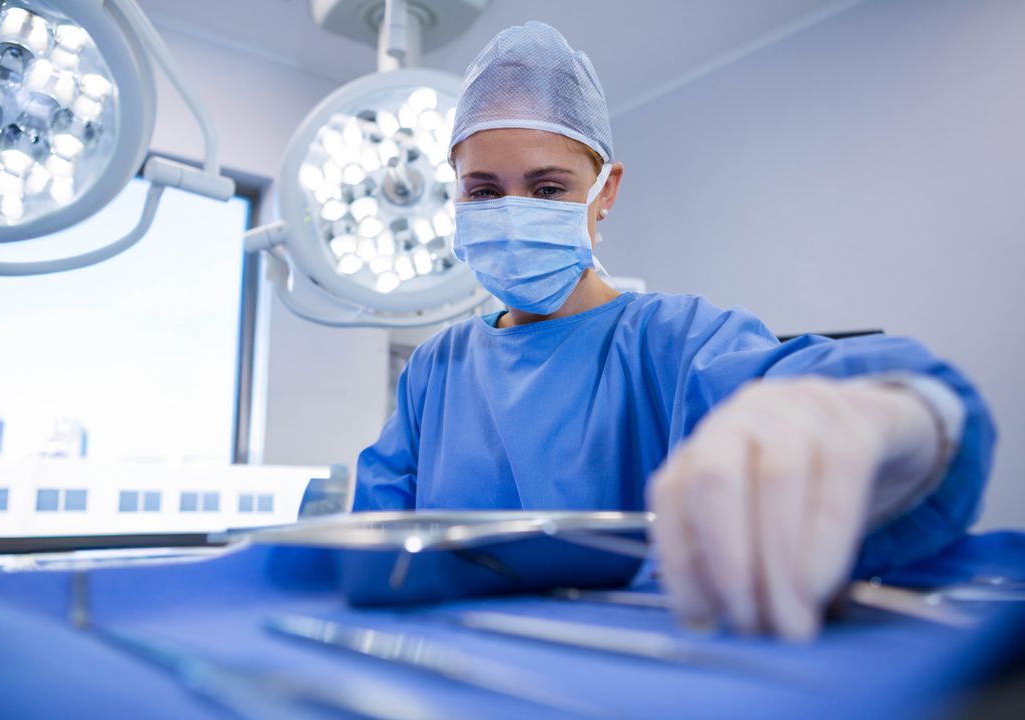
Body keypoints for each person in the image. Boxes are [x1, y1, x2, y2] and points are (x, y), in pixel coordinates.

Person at [353, 21, 996, 640]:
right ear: (456, 198)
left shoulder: (674, 341)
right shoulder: (435, 371)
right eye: (484, 192)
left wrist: (902, 415)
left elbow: (811, 381)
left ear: (606, 191)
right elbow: (365, 550)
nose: (513, 214)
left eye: (548, 189)